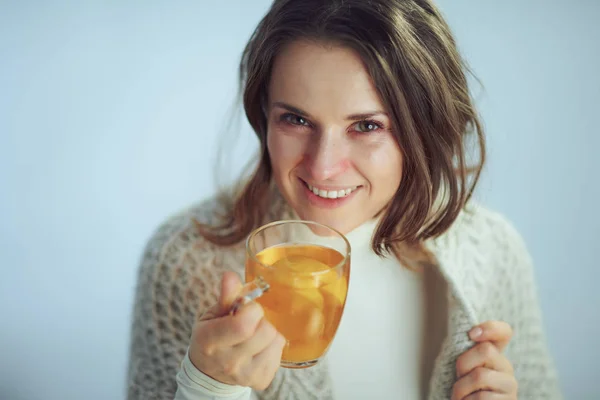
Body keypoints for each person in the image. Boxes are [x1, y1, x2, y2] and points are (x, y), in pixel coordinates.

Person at [126, 0, 563, 399]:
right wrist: (208, 389)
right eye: (296, 119)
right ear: (263, 115)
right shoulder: (185, 259)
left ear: (426, 126)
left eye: (367, 126)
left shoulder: (493, 253)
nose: (322, 167)